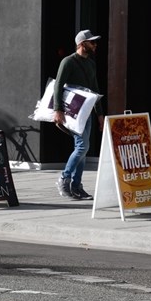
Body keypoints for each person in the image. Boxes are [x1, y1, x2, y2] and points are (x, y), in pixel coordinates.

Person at [53, 30, 104, 200]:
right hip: (71, 112)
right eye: (92, 42)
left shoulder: (90, 64)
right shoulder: (67, 62)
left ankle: (76, 186)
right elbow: (58, 86)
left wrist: (100, 115)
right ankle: (64, 178)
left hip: (87, 112)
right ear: (82, 44)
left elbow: (95, 89)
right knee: (83, 147)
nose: (95, 45)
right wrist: (58, 110)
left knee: (81, 149)